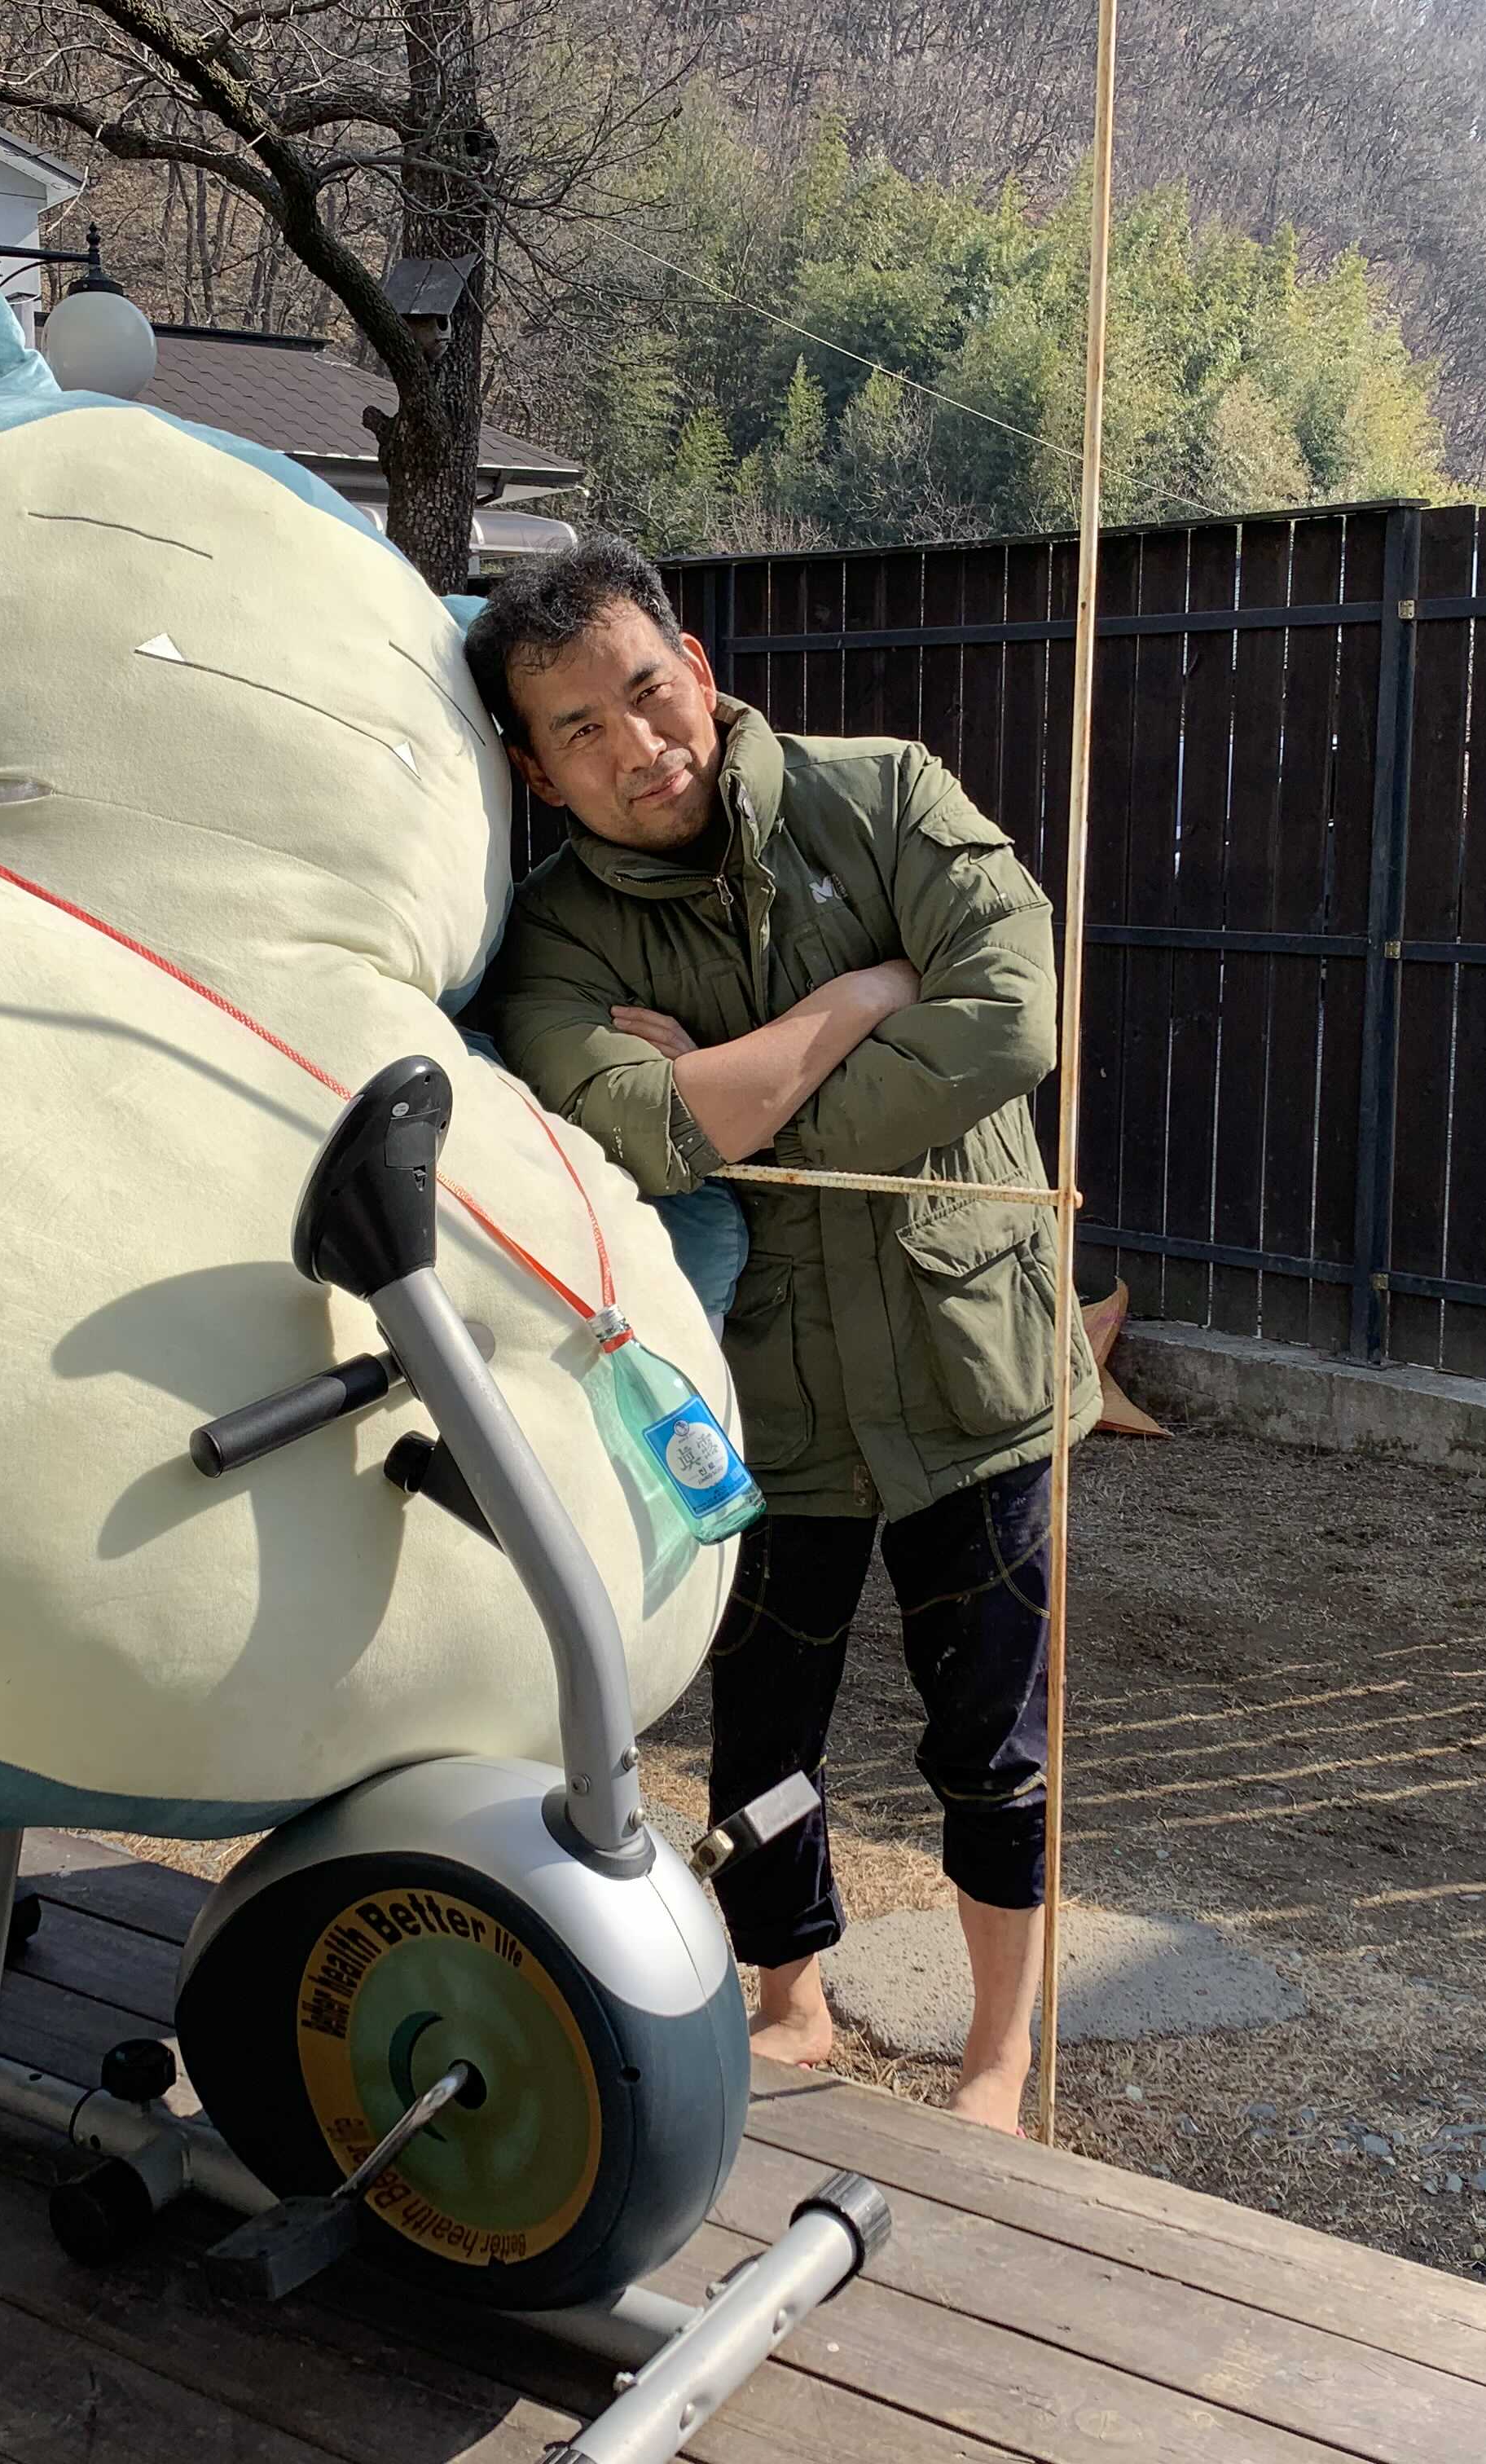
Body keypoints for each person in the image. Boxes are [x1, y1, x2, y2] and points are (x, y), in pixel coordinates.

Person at [471, 538, 1094, 2134]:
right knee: (762, 1733)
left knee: (995, 1737)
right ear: (536, 772)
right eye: (582, 732)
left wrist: (731, 1093)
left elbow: (1011, 1013)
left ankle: (999, 2055)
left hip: (971, 1363)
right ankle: (790, 1995)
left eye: (648, 692)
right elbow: (631, 1126)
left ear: (697, 666)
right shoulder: (556, 940)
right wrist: (855, 1002)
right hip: (754, 1393)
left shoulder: (883, 796)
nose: (640, 747)